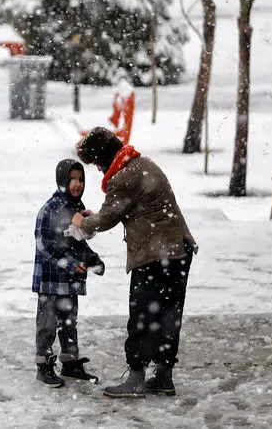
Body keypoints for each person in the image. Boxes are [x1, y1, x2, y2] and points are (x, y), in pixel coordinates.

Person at [73, 126, 198, 399]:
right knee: (168, 314)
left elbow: (107, 218)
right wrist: (98, 217)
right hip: (177, 250)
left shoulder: (124, 177)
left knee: (142, 315)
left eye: (97, 163)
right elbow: (121, 208)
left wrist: (82, 223)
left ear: (104, 156)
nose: (98, 169)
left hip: (155, 255)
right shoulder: (141, 164)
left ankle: (136, 379)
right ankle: (164, 377)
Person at [32, 158, 105, 388]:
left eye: (81, 179)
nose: (77, 184)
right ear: (61, 180)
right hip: (51, 280)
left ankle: (70, 362)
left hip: (70, 281)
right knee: (48, 324)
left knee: (69, 323)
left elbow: (78, 242)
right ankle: (44, 365)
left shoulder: (77, 209)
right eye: (72, 179)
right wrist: (70, 264)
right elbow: (44, 244)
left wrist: (92, 259)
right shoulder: (50, 209)